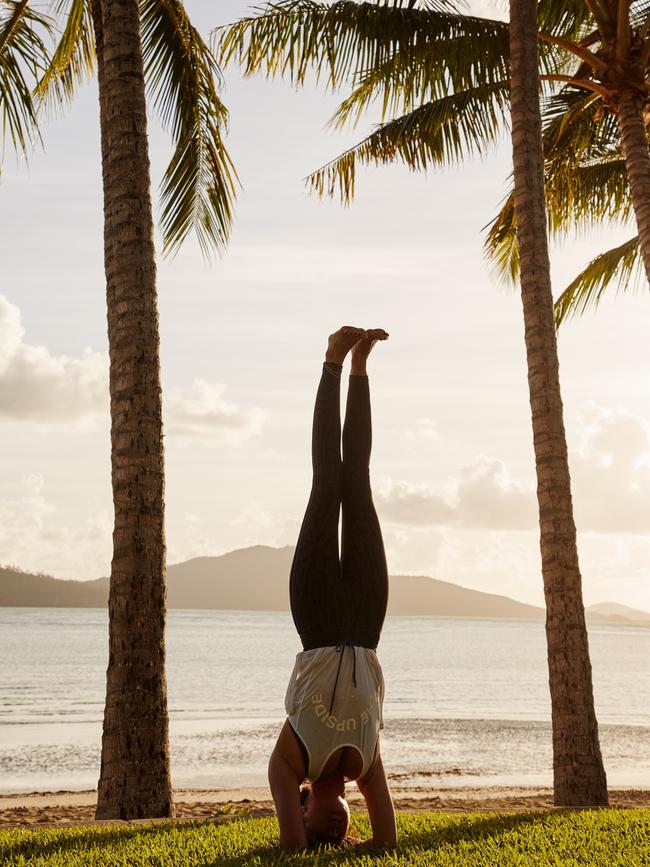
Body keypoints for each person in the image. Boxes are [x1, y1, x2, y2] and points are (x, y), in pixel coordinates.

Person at [268, 325, 397, 851]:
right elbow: (385, 843)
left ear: (303, 806)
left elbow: (294, 850)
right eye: (339, 837)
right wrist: (355, 852)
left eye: (320, 827)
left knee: (328, 481)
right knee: (359, 481)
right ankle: (362, 368)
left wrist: (306, 846)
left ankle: (331, 363)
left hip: (317, 616)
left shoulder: (291, 763)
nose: (335, 830)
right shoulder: (364, 764)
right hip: (367, 623)